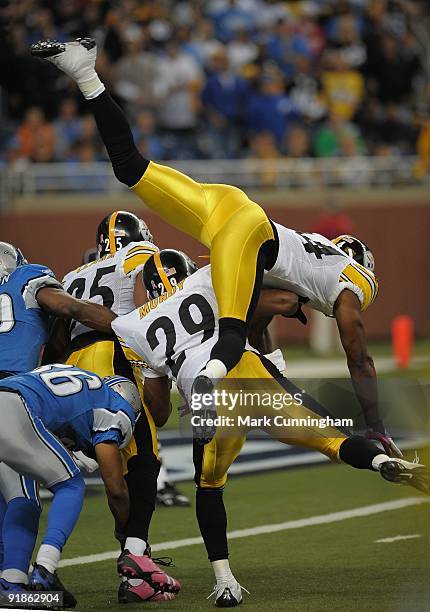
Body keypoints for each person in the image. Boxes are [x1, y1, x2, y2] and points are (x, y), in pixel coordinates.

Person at [31, 38, 397, 454]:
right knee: (228, 337)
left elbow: (260, 304)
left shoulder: (308, 260)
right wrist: (376, 424)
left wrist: (273, 369)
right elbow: (358, 353)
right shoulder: (350, 282)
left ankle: (84, 72)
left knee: (130, 167)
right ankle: (203, 397)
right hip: (245, 234)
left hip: (228, 206)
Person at [112, 250, 428, 606]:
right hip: (248, 369)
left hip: (210, 396)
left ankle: (225, 581)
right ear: (187, 270)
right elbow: (279, 298)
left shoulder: (133, 326)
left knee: (209, 486)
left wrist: (161, 372)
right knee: (333, 439)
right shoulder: (208, 279)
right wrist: (291, 304)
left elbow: (159, 409)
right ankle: (385, 463)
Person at [31, 38, 279, 406]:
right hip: (233, 221)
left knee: (230, 333)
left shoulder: (75, 277)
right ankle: (264, 375)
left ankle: (256, 376)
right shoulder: (162, 256)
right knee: (231, 333)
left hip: (222, 215)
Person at [47, 212, 181, 602]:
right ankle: (134, 562)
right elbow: (163, 287)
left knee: (108, 470)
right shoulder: (137, 254)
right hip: (112, 359)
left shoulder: (71, 275)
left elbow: (56, 337)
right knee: (144, 461)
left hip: (69, 370)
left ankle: (130, 555)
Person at [0, 240, 115, 598]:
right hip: (10, 393)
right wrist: (128, 327)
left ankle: (8, 576)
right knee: (29, 497)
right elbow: (70, 307)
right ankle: (15, 581)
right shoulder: (28, 277)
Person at [0, 364, 140, 608]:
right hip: (16, 409)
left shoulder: (78, 379)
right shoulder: (116, 405)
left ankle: (11, 583)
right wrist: (126, 528)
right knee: (71, 485)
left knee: (23, 500)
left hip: (9, 398)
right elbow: (115, 486)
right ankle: (45, 568)